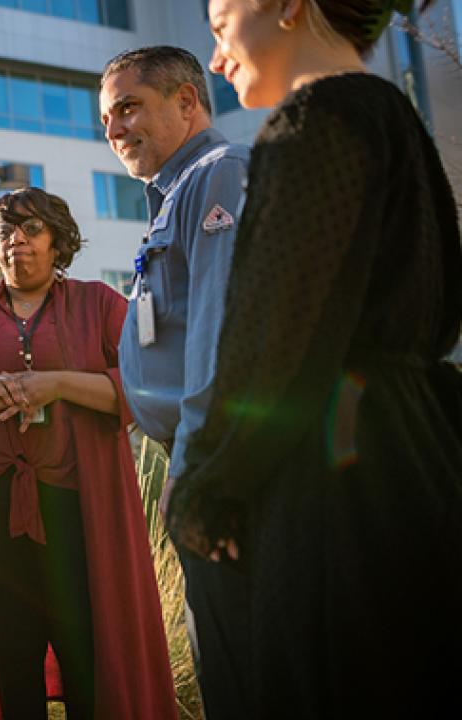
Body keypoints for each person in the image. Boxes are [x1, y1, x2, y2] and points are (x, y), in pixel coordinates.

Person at [166, 0, 462, 717]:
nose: (214, 55)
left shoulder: (312, 124)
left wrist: (205, 488)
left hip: (336, 483)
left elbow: (273, 338)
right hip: (420, 461)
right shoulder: (395, 120)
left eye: (218, 21)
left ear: (289, 6)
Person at [0, 187, 177, 720]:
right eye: (5, 233)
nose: (18, 243)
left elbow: (146, 383)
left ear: (58, 242)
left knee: (88, 655)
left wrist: (56, 384)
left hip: (81, 512)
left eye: (32, 230)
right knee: (11, 658)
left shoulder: (100, 303)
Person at [98, 46, 252, 719]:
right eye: (106, 118)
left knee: (241, 672)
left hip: (220, 471)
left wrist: (199, 475)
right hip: (201, 460)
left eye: (128, 107)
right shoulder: (171, 196)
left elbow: (223, 337)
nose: (114, 129)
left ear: (188, 100)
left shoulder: (219, 175)